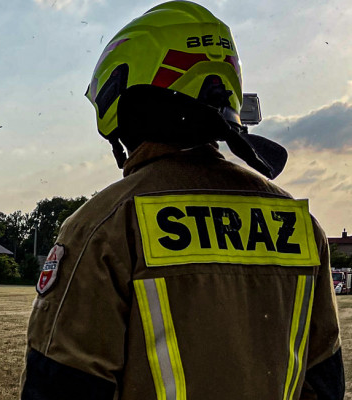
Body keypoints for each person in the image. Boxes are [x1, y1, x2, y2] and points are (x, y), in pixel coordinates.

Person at [21, 2, 344, 399]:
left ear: (120, 95)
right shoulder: (300, 225)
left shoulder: (108, 224)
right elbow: (324, 381)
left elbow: (62, 385)